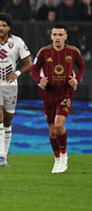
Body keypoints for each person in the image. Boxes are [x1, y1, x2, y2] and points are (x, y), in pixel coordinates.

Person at [30, 24, 85, 173]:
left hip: (66, 92)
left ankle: (64, 155)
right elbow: (33, 69)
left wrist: (77, 79)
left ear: (66, 36)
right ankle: (57, 158)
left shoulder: (73, 51)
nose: (57, 38)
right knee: (52, 131)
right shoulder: (44, 52)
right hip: (48, 93)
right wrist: (39, 80)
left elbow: (82, 66)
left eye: (60, 35)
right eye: (55, 35)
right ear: (51, 36)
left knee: (59, 125)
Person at [0, 12, 32, 167]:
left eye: (4, 25)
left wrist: (17, 73)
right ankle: (1, 156)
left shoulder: (17, 42)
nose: (1, 28)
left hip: (11, 86)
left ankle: (5, 156)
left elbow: (28, 62)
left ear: (9, 27)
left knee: (7, 120)